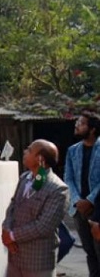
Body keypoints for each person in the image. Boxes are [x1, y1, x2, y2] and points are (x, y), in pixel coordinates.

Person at [2, 139, 69, 277]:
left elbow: (43, 226)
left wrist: (12, 236)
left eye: (30, 150)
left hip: (37, 261)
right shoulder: (25, 177)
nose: (25, 152)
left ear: (40, 159)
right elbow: (13, 205)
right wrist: (6, 229)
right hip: (15, 256)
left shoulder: (58, 189)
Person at [64, 110, 100, 276]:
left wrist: (90, 200)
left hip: (97, 208)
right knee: (89, 252)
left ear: (92, 129)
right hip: (79, 210)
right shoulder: (72, 150)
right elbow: (68, 178)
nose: (77, 125)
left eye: (81, 123)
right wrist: (78, 200)